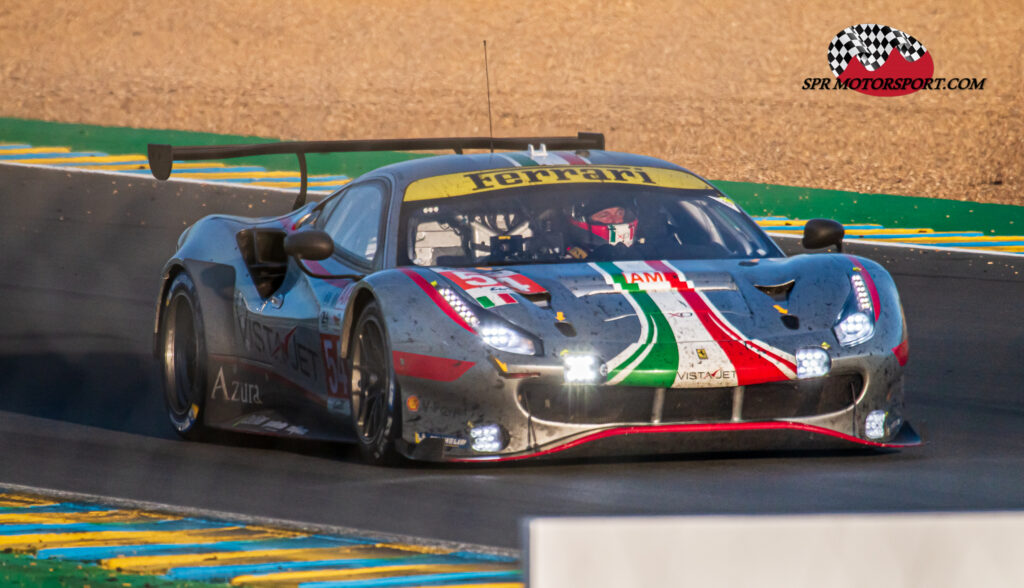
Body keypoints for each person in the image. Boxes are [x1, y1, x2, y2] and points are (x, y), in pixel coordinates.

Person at [564, 203, 639, 260]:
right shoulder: (570, 261)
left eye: (620, 213)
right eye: (604, 215)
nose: (616, 220)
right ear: (583, 221)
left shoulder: (646, 253)